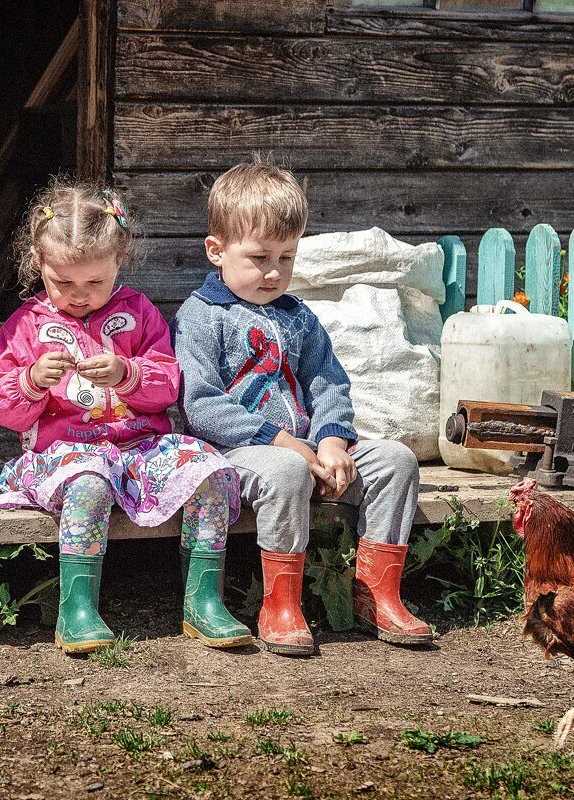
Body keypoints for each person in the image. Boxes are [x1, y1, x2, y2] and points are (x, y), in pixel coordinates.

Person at [0, 180, 250, 655]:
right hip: (64, 454)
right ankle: (76, 609)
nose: (79, 296)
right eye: (63, 282)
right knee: (90, 482)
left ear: (119, 261)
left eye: (95, 283)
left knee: (209, 471)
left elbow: (169, 383)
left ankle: (203, 600)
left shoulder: (140, 313)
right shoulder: (25, 326)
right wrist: (31, 380)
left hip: (141, 449)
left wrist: (128, 373)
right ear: (38, 264)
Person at [173, 161, 431, 656]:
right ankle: (281, 603)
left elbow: (329, 380)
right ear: (216, 251)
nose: (274, 272)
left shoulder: (299, 317)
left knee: (396, 461)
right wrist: (285, 443)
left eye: (286, 258)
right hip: (238, 454)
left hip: (310, 447)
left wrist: (334, 440)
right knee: (289, 469)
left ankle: (377, 594)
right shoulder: (201, 317)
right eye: (259, 257)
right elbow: (200, 404)